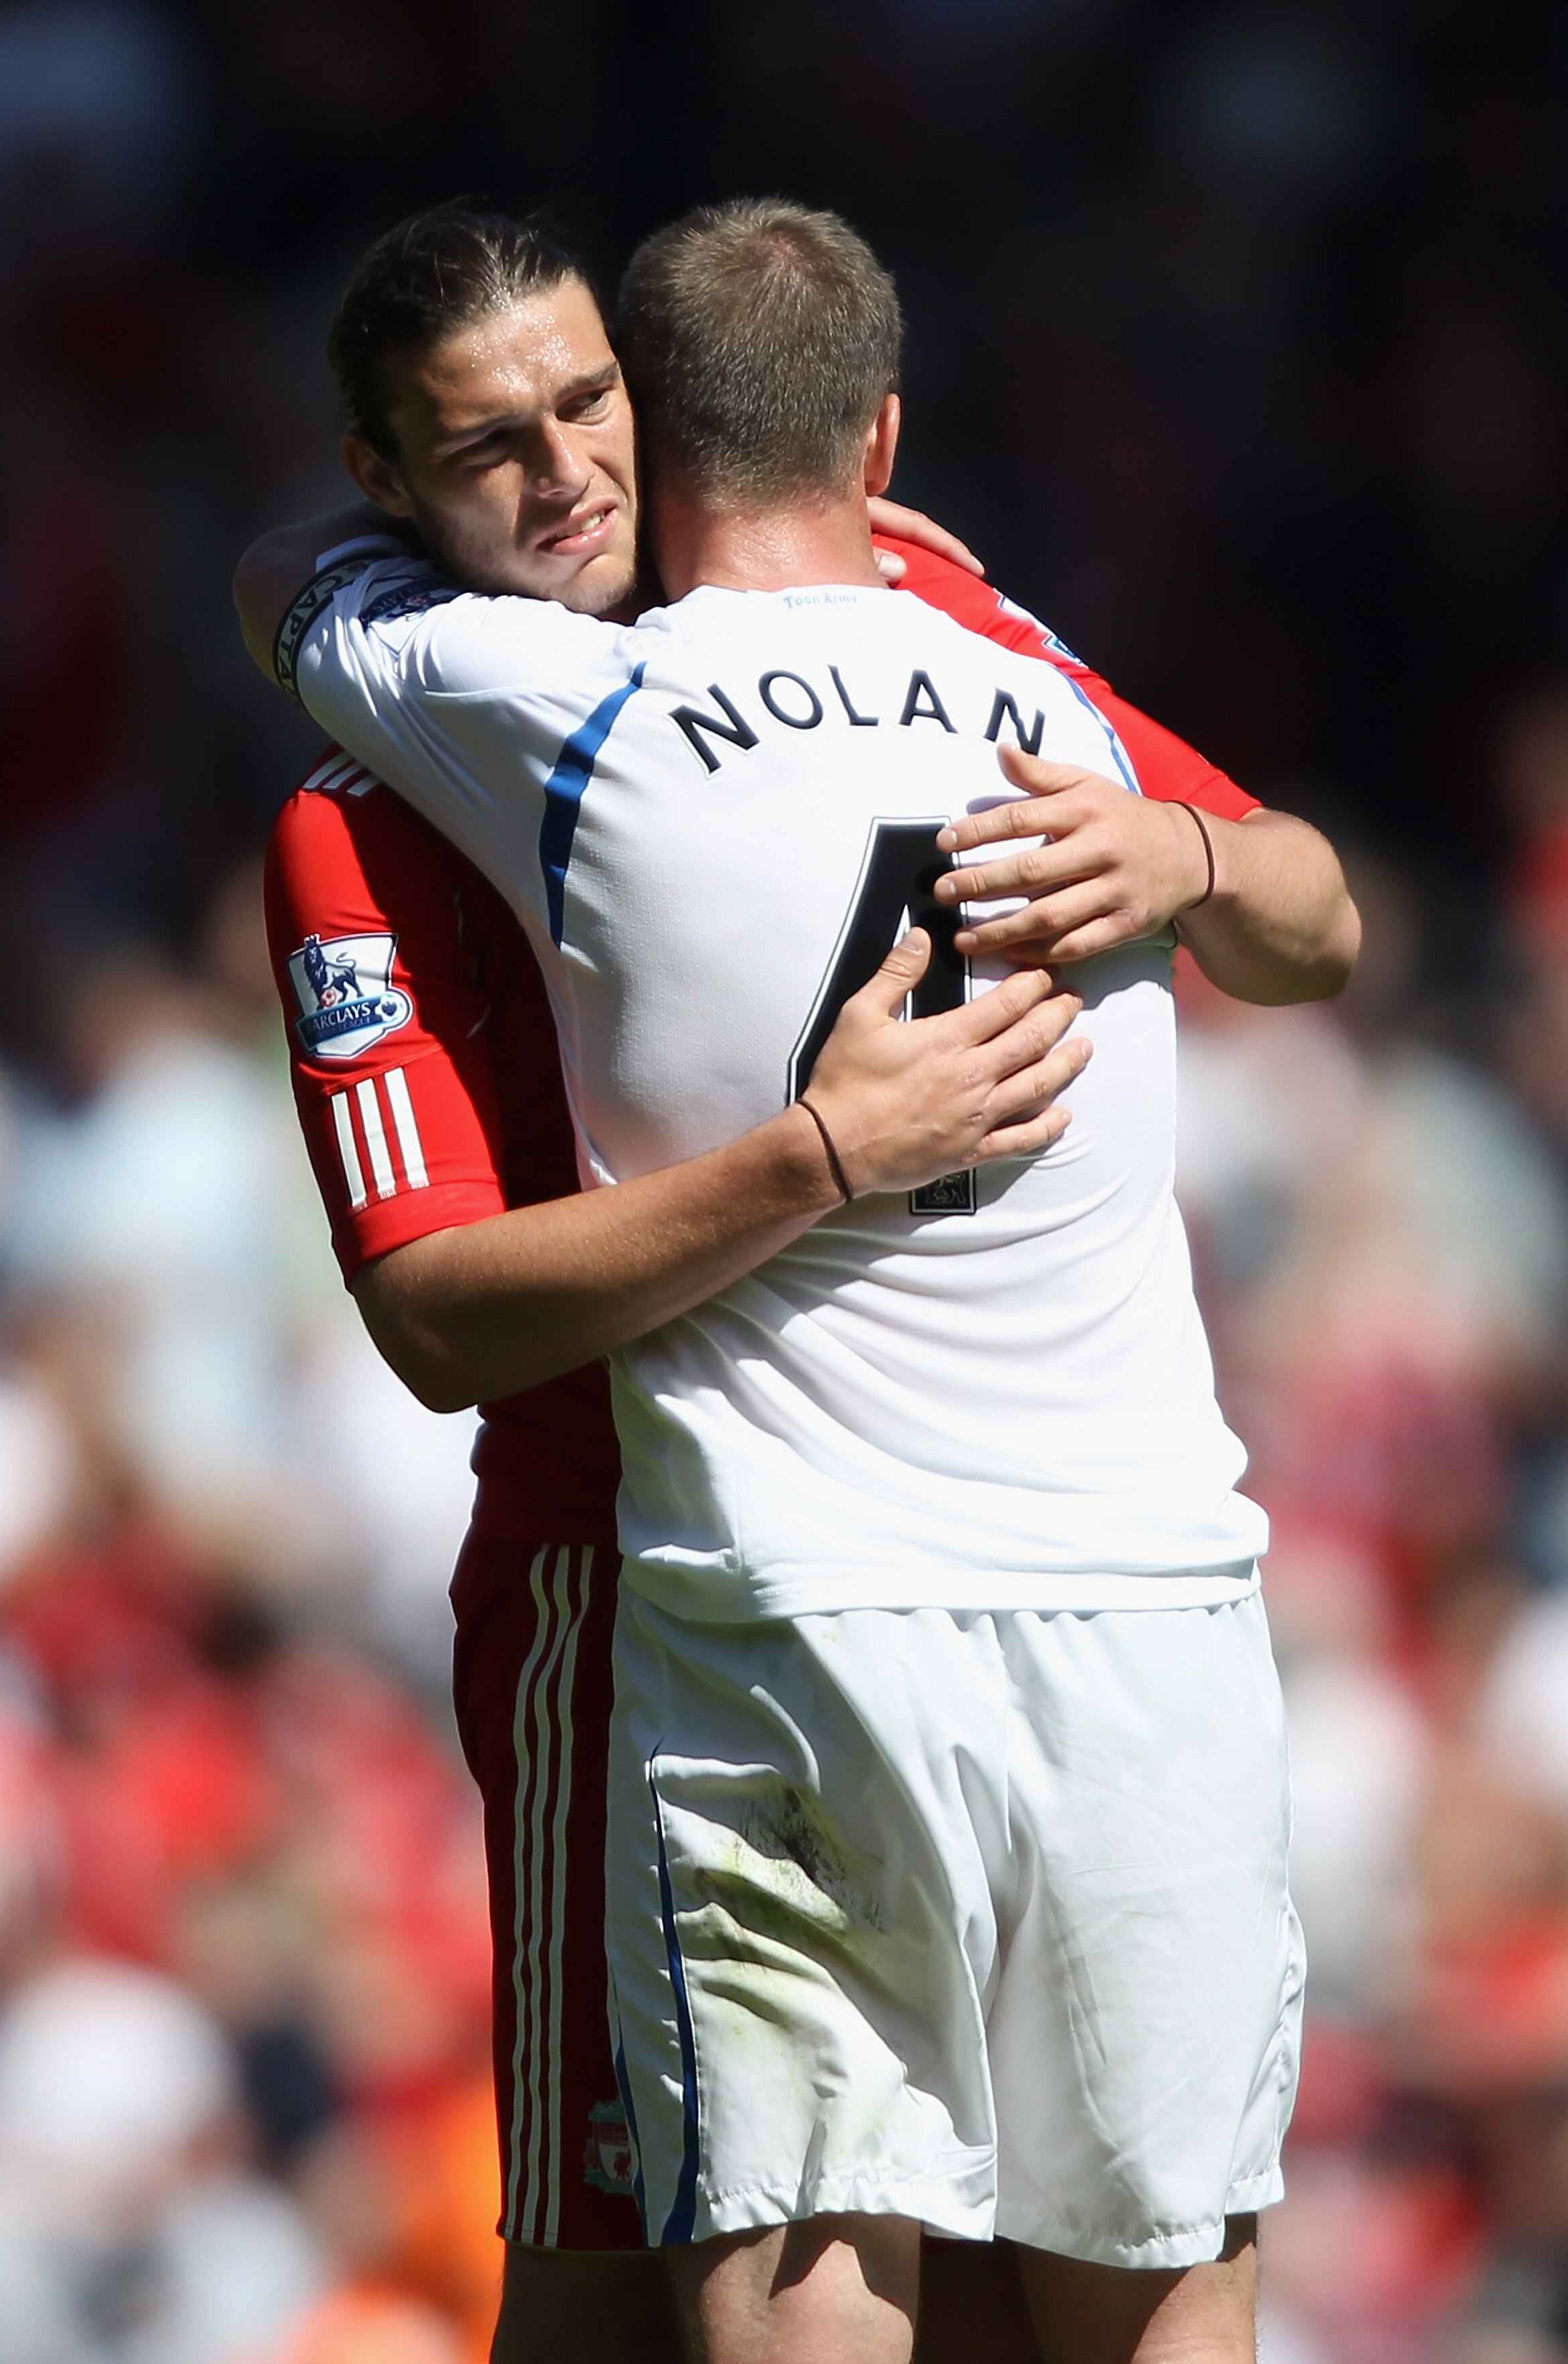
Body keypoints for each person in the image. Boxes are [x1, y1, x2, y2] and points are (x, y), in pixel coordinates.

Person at [243, 202, 1358, 2364]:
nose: (565, 472)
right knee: (604, 2284)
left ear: (677, 415)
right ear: (391, 483)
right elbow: (439, 1317)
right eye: (490, 447)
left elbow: (1301, 900)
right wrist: (818, 1155)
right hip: (620, 1566)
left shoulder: (926, 631)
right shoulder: (372, 809)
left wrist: (1197, 855)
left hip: (865, 1580)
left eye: (597, 408)